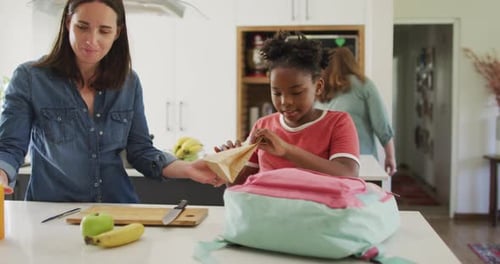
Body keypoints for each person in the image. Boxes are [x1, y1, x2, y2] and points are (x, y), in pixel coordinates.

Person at [0, 0, 224, 202]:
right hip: (50, 213)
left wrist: (188, 168)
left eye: (104, 31)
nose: (92, 40)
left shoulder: (128, 82)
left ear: (117, 33)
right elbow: (10, 146)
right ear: (68, 23)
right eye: (82, 26)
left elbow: (141, 150)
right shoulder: (30, 78)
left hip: (118, 209)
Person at [217, 31, 360, 185]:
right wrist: (230, 166)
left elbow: (348, 174)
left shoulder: (338, 122)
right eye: (277, 92)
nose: (285, 101)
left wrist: (286, 150)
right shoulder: (263, 126)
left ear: (318, 87)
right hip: (268, 208)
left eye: (297, 92)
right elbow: (239, 187)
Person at [316, 47, 397, 175]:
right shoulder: (364, 84)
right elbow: (381, 124)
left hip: (324, 163)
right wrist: (390, 157)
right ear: (351, 62)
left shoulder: (318, 89)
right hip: (361, 160)